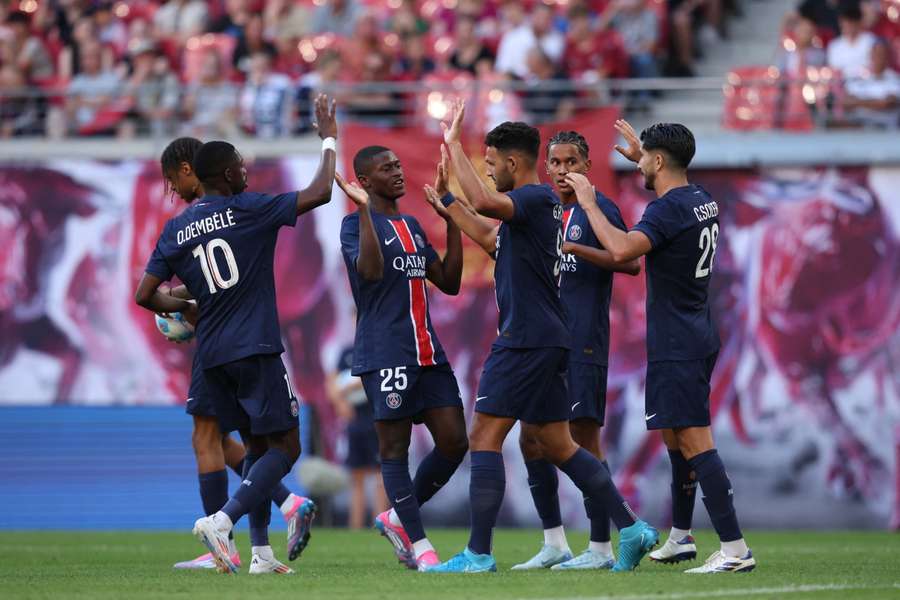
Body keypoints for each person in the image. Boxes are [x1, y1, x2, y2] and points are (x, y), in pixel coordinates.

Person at [426, 102, 658, 573]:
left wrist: (454, 144)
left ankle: (478, 553)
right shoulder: (541, 209)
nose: (488, 172)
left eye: (491, 163)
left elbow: (489, 205)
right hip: (552, 338)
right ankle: (631, 527)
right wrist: (449, 204)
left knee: (485, 436)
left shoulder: (531, 199)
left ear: (512, 162)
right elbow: (492, 240)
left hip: (525, 338)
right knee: (558, 444)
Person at [134, 95, 337, 575]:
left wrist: (183, 306)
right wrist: (329, 139)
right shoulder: (249, 209)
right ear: (226, 175)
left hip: (213, 354)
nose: (247, 171)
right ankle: (222, 521)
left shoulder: (176, 229)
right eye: (241, 166)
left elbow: (145, 294)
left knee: (254, 447)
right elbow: (321, 192)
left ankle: (262, 555)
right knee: (286, 448)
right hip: (256, 346)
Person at [576, 119, 755, 573]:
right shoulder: (701, 200)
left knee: (695, 440)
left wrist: (589, 202)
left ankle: (734, 549)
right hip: (695, 330)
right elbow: (668, 188)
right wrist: (646, 158)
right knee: (676, 436)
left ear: (658, 161)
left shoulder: (665, 211)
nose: (641, 166)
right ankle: (681, 536)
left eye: (646, 161)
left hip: (678, 339)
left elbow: (621, 250)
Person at [512, 131, 641, 571]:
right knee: (531, 439)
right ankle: (554, 542)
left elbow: (630, 260)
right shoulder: (547, 212)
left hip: (583, 340)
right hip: (544, 345)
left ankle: (602, 547)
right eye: (557, 162)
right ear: (547, 167)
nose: (564, 170)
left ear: (587, 165)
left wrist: (575, 248)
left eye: (572, 162)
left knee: (583, 440)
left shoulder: (599, 208)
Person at [338, 144, 468, 572]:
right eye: (386, 168)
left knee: (454, 442)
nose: (397, 172)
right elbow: (371, 272)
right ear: (365, 181)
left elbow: (448, 282)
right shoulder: (353, 226)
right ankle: (421, 544)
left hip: (428, 351)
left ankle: (397, 516)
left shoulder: (411, 225)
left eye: (397, 164)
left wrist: (450, 222)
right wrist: (362, 213)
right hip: (386, 354)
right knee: (394, 452)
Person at [326, 344, 389, 529]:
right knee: (357, 477)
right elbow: (332, 382)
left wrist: (349, 386)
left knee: (380, 477)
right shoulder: (346, 352)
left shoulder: (379, 349)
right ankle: (356, 528)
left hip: (377, 420)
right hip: (355, 424)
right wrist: (339, 402)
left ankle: (382, 526)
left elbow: (373, 377)